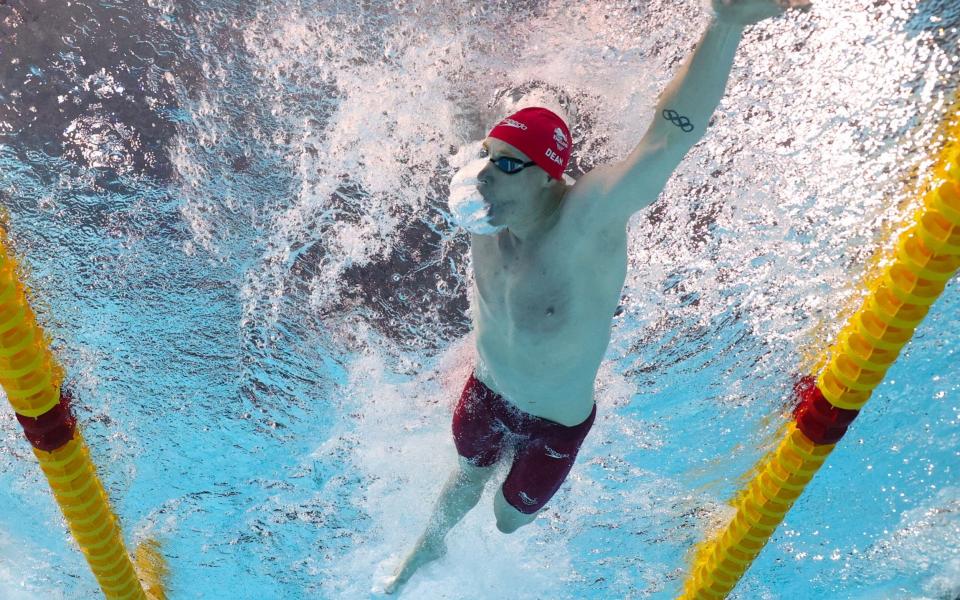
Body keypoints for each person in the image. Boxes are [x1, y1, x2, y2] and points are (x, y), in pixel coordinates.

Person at [383, 0, 811, 594]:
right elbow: (460, 106)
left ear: (549, 176)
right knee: (462, 481)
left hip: (554, 421)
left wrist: (725, 25)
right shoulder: (484, 207)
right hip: (486, 388)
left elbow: (666, 140)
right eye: (487, 157)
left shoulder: (585, 220)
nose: (483, 175)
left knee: (507, 523)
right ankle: (418, 558)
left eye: (507, 165)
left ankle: (674, 517)